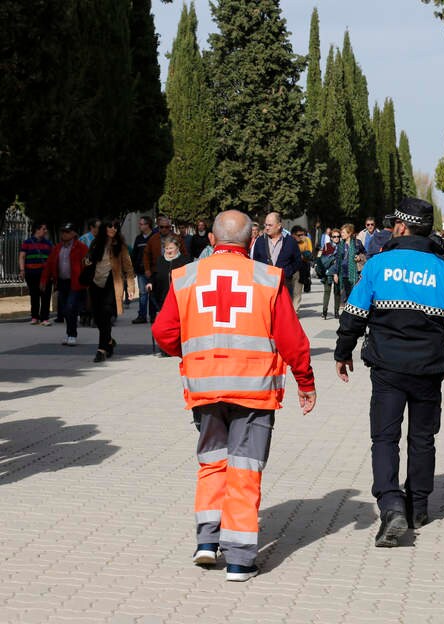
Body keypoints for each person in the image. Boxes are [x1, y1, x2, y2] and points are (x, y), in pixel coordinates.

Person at [152, 209, 316, 582]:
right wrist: (305, 382)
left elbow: (163, 333)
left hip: (205, 387)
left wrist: (192, 352)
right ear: (251, 242)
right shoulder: (267, 278)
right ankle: (241, 559)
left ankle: (207, 542)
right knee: (244, 469)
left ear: (212, 240)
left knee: (212, 462)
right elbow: (292, 339)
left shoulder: (186, 276)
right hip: (253, 390)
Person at [334, 197, 444, 548]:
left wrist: (342, 351)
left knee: (385, 438)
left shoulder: (378, 265)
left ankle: (391, 503)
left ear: (401, 227)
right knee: (422, 439)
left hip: (387, 368)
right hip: (429, 370)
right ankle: (418, 507)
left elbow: (354, 314)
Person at [83, 219, 135, 362]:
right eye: (110, 226)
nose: (113, 229)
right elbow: (87, 259)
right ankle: (109, 341)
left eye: (116, 227)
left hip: (112, 284)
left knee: (106, 315)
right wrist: (87, 261)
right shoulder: (96, 243)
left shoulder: (120, 246)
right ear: (104, 228)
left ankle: (101, 350)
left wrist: (131, 287)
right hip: (95, 283)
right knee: (98, 318)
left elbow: (128, 268)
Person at [40, 223, 89, 346]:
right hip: (62, 283)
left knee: (70, 307)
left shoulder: (81, 248)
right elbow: (49, 265)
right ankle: (69, 333)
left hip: (76, 283)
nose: (64, 234)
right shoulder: (57, 248)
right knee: (65, 310)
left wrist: (88, 280)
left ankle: (72, 335)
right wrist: (44, 280)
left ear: (73, 234)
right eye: (62, 231)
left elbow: (88, 265)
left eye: (67, 232)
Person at [252, 212, 302, 298]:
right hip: (264, 286)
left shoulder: (290, 241)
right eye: (266, 225)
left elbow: (297, 261)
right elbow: (255, 261)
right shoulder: (260, 241)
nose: (267, 228)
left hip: (284, 285)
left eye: (270, 225)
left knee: (282, 311)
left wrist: (287, 272)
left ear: (279, 226)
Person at [19, 221, 54, 325]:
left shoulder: (48, 244)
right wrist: (22, 270)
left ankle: (45, 318)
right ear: (37, 230)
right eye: (43, 229)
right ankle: (35, 317)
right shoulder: (27, 242)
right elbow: (22, 256)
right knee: (34, 295)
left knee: (46, 295)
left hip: (45, 274)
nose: (45, 231)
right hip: (31, 273)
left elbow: (52, 259)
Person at [147, 235, 192, 315]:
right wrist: (150, 282)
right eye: (166, 248)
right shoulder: (160, 260)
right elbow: (155, 275)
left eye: (171, 248)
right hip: (163, 299)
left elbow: (190, 279)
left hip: (180, 299)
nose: (168, 251)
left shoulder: (185, 260)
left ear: (177, 247)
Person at [144, 216, 187, 280]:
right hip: (157, 271)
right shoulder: (153, 239)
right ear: (158, 227)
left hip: (174, 271)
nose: (164, 229)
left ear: (169, 227)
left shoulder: (177, 238)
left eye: (166, 227)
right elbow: (146, 255)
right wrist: (147, 269)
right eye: (161, 227)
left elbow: (184, 254)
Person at [332, 223, 365, 305]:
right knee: (347, 293)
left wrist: (359, 258)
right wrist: (335, 273)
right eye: (341, 232)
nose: (341, 234)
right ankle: (349, 308)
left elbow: (365, 254)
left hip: (355, 272)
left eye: (343, 233)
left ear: (349, 233)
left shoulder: (357, 243)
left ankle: (353, 308)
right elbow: (337, 260)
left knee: (355, 293)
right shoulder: (340, 245)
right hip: (344, 273)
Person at [131, 215, 156, 324]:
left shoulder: (155, 237)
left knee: (152, 294)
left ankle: (153, 316)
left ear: (148, 225)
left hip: (153, 270)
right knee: (142, 294)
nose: (139, 226)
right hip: (141, 271)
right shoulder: (139, 238)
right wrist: (133, 268)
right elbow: (134, 254)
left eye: (141, 224)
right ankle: (142, 315)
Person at [318, 228, 340, 320]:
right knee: (327, 292)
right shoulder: (327, 246)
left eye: (338, 236)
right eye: (334, 236)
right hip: (328, 273)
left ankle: (336, 312)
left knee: (337, 293)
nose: (336, 238)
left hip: (338, 273)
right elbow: (323, 260)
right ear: (331, 237)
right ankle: (324, 312)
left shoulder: (342, 246)